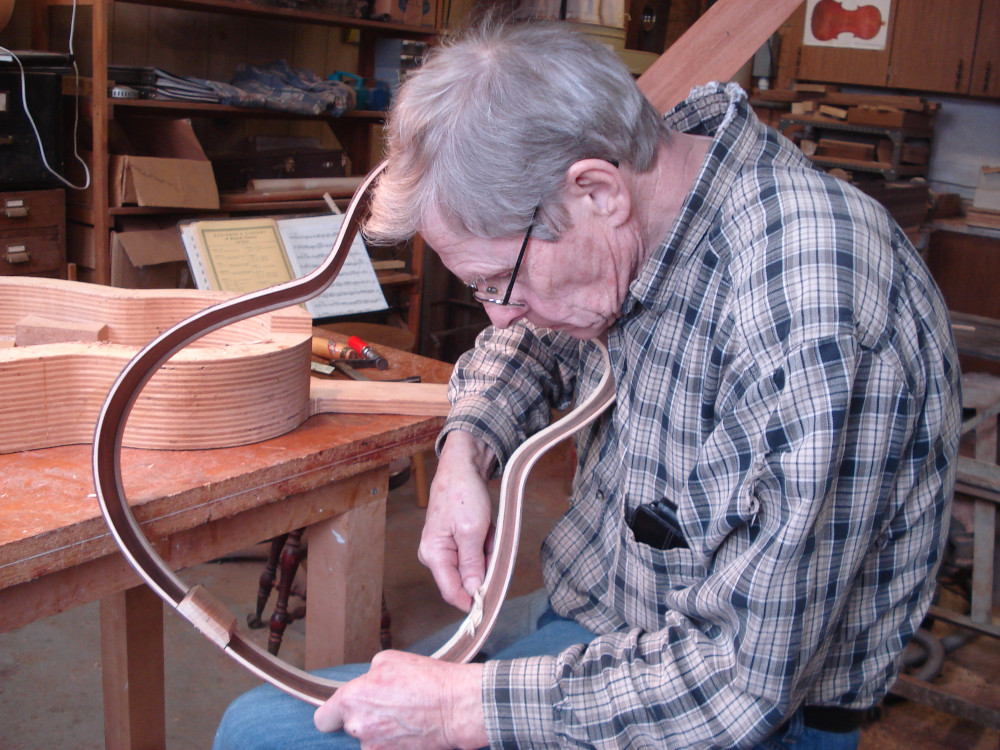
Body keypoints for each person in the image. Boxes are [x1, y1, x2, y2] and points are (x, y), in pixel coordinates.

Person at [213, 18, 961, 750]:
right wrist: (466, 449)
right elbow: (529, 339)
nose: (499, 317)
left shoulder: (805, 298)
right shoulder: (646, 199)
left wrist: (462, 711)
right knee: (257, 725)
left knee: (269, 739)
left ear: (597, 191)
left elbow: (742, 682)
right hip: (601, 618)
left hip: (732, 710)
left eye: (493, 280)